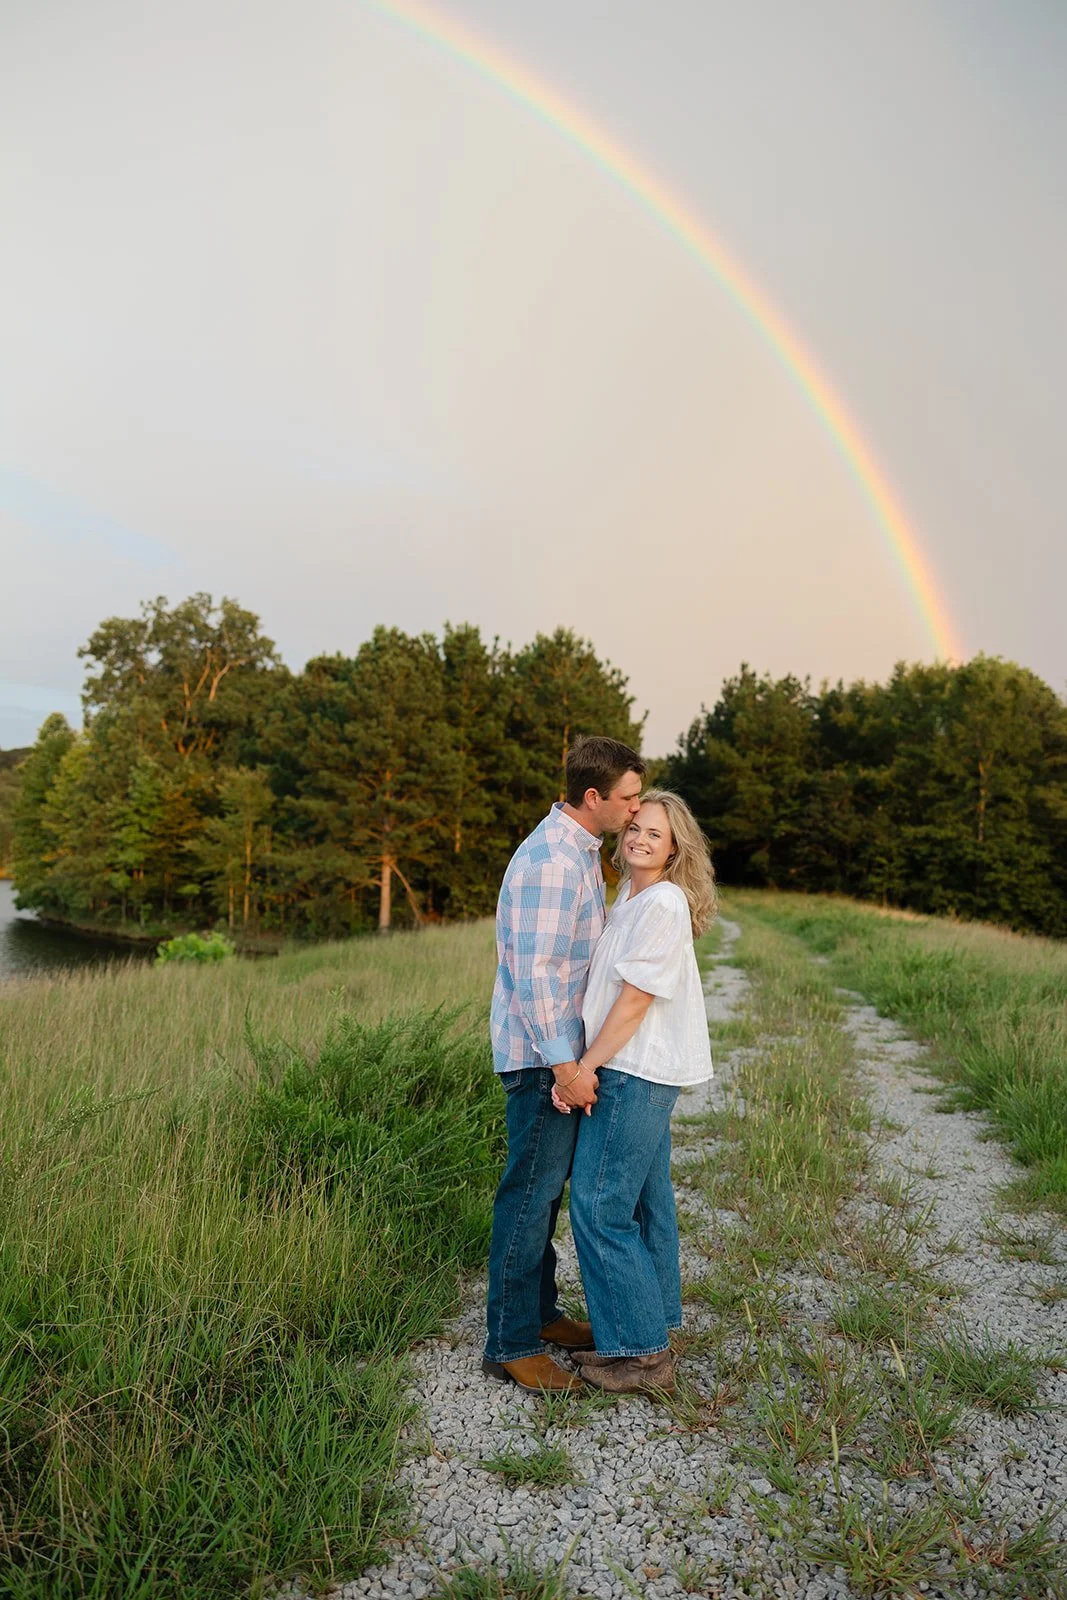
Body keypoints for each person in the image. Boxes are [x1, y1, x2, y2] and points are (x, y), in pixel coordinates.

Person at [482, 735, 646, 1393]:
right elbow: (536, 973)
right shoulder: (552, 860)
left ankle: (541, 1315)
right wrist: (564, 1068)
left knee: (542, 1197)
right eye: (627, 798)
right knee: (527, 1198)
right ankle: (510, 1344)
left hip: (557, 1054)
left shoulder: (578, 852)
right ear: (592, 797)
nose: (635, 811)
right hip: (541, 1059)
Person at [553, 789, 716, 1397]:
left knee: (600, 1204)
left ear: (675, 847)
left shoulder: (665, 903)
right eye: (635, 828)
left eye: (656, 833)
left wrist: (581, 1068)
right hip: (634, 1068)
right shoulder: (630, 897)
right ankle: (648, 1323)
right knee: (648, 1200)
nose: (640, 839)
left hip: (632, 1071)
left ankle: (642, 1355)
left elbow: (637, 1000)